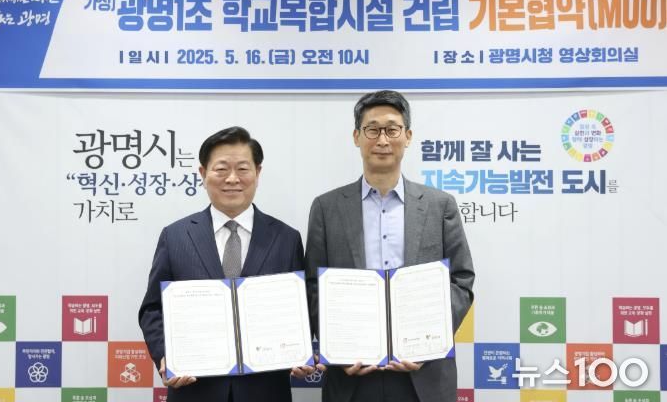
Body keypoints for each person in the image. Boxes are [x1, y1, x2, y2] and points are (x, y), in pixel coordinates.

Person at [305, 90, 475, 402]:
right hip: (352, 376)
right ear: (357, 137)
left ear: (407, 136)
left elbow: (461, 280)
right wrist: (338, 349)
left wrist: (428, 342)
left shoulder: (440, 205)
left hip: (423, 375)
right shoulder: (327, 208)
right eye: (372, 129)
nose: (382, 140)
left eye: (392, 129)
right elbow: (313, 286)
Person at [139, 126, 313, 402]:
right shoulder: (175, 236)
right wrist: (165, 356)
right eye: (221, 169)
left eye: (242, 169)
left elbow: (300, 308)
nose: (232, 179)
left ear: (258, 172)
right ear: (203, 173)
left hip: (265, 391)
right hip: (194, 390)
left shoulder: (286, 238)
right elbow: (152, 309)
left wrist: (300, 351)